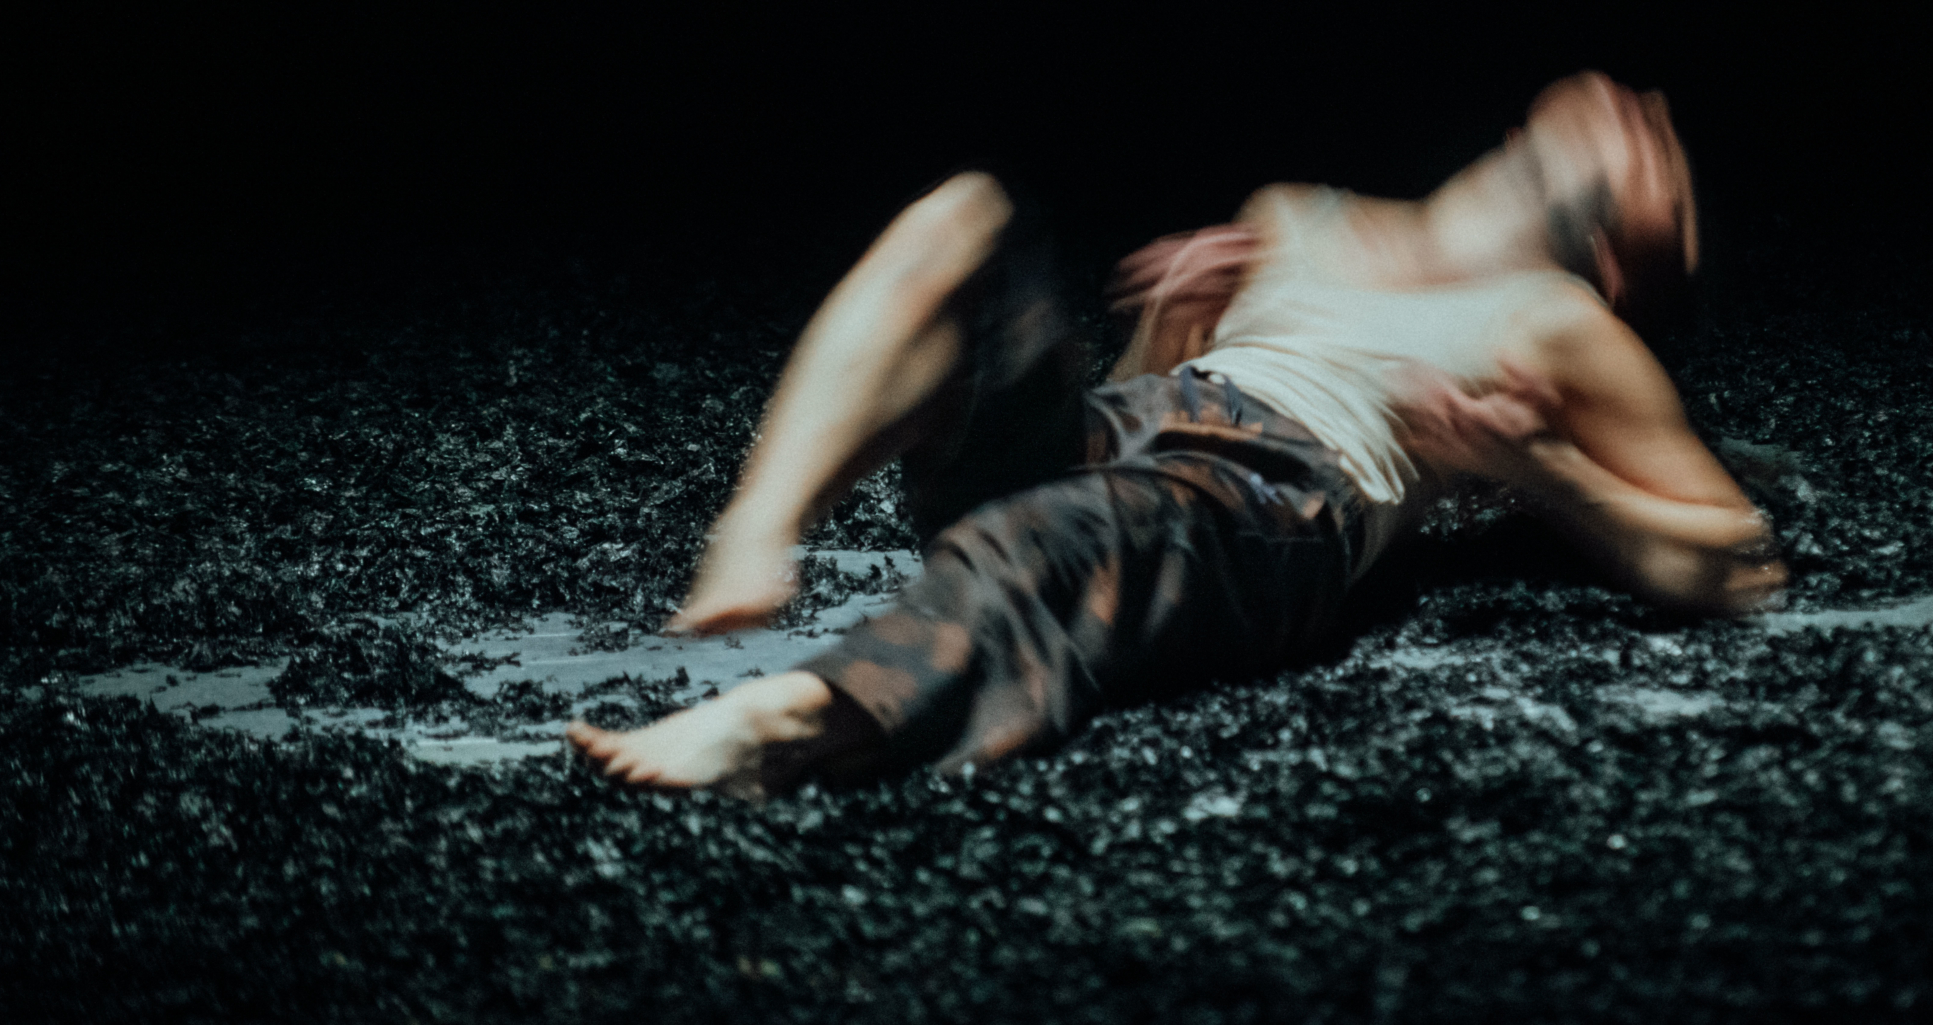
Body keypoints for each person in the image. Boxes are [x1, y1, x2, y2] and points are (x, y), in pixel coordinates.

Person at [568, 74, 1786, 800]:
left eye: (1655, 149)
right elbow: (1138, 408)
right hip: (1146, 430)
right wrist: (1169, 324)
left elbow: (1734, 562)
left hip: (1286, 489)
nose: (1640, 109)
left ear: (1622, 249)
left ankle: (805, 718)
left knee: (1071, 535)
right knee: (963, 216)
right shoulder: (1299, 213)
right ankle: (758, 526)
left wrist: (1535, 464)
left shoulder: (1557, 323)